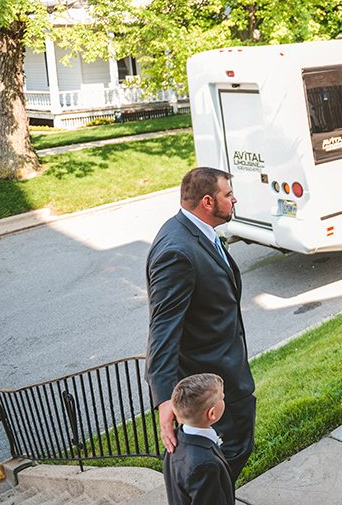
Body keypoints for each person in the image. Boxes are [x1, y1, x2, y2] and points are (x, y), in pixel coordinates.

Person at [146, 167, 255, 481]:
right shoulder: (177, 252)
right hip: (214, 382)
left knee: (226, 459)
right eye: (227, 194)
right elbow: (163, 329)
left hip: (228, 368)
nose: (235, 199)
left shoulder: (196, 229)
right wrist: (165, 398)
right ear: (208, 202)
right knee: (229, 455)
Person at [163, 373, 235, 505]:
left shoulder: (175, 439)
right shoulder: (205, 465)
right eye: (222, 398)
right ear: (211, 413)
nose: (224, 399)